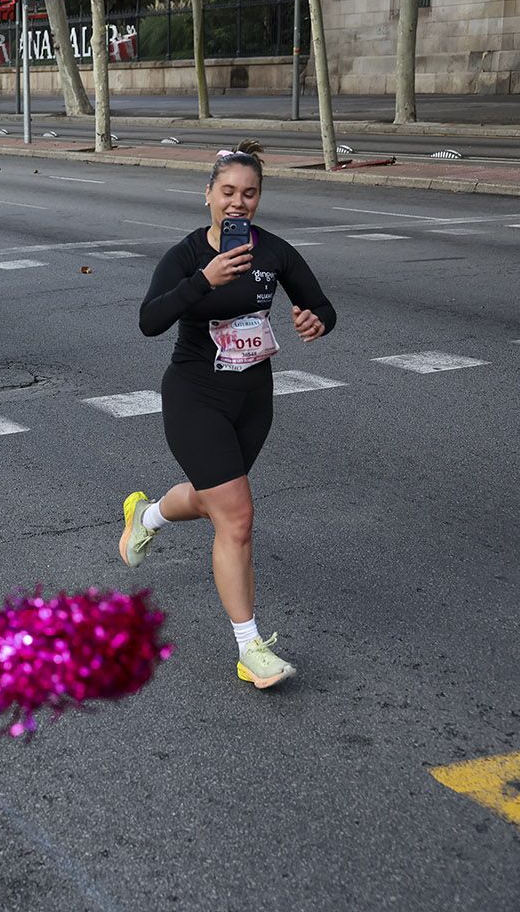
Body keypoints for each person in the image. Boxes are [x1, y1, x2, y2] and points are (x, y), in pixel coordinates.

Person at [118, 141, 337, 691]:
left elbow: (323, 306)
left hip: (253, 400)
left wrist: (316, 322)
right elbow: (148, 320)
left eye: (249, 193)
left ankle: (146, 516)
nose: (238, 203)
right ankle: (250, 648)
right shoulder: (189, 255)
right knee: (236, 516)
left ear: (258, 198)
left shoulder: (275, 252)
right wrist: (204, 282)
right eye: (228, 192)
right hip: (195, 396)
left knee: (215, 499)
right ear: (209, 196)